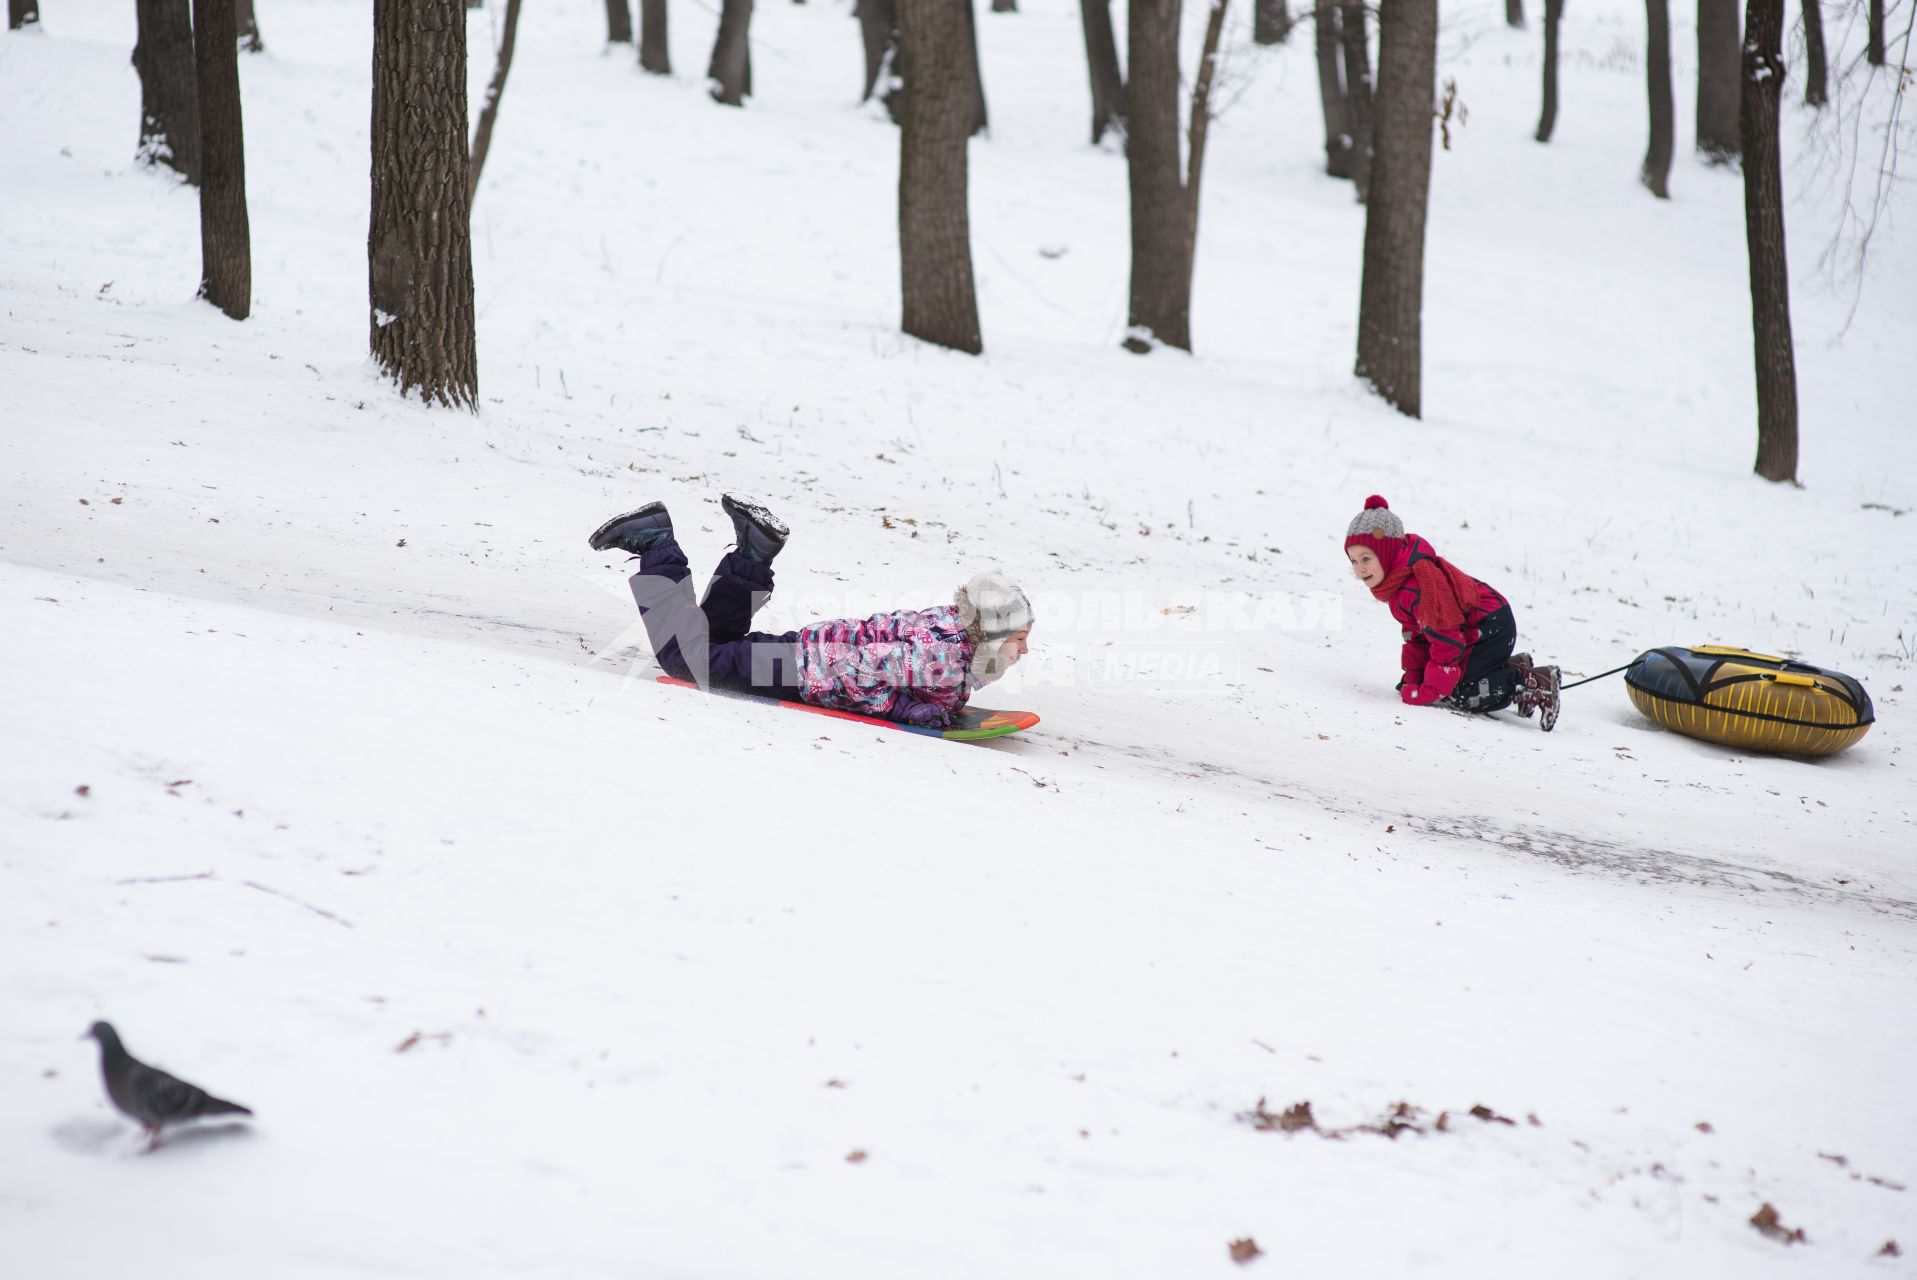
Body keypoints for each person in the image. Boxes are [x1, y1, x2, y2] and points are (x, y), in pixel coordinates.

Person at [589, 495, 1033, 729]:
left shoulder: (950, 629)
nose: (1025, 650)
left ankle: (753, 552)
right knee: (688, 661)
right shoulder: (941, 657)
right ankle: (656, 543)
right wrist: (901, 709)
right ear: (990, 634)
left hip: (806, 656)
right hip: (800, 670)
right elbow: (854, 672)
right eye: (1018, 638)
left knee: (714, 646)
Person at [1343, 495, 1560, 730]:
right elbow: (1418, 635)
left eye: (1366, 558)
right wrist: (1414, 677)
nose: (1359, 568)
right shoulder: (1398, 583)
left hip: (1490, 623)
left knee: (1460, 693)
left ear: (1388, 554)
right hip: (1479, 623)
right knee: (1453, 677)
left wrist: (1431, 690)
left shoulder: (1416, 586)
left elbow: (1446, 641)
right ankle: (1513, 667)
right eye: (1353, 560)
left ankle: (1533, 683)